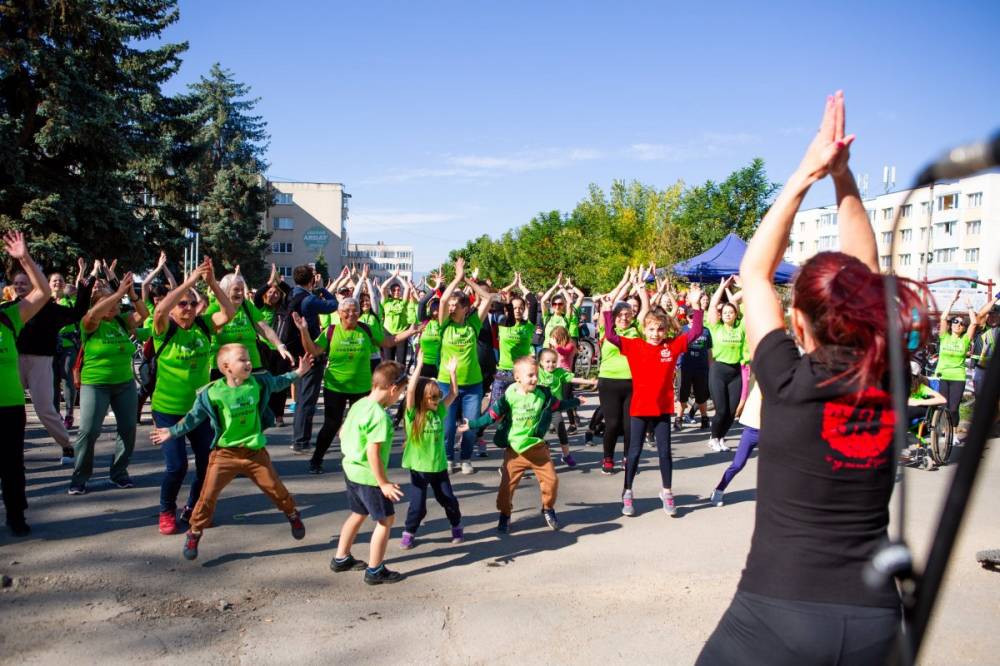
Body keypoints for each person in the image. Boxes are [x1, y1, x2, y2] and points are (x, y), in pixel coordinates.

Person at [698, 91, 929, 665]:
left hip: (776, 616)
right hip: (877, 625)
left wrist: (808, 172)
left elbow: (754, 269)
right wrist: (845, 181)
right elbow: (869, 273)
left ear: (796, 320)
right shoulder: (889, 377)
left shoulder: (786, 380)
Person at [151, 344, 312, 560]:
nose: (248, 363)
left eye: (248, 359)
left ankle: (292, 515)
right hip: (225, 455)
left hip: (254, 452)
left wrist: (299, 372)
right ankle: (194, 532)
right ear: (227, 367)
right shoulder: (213, 393)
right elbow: (193, 417)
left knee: (275, 488)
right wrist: (171, 432)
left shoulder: (258, 382)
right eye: (242, 360)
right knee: (207, 496)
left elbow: (279, 382)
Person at [602, 280, 704, 517]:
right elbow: (610, 335)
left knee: (664, 452)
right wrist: (607, 310)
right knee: (634, 452)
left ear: (665, 329)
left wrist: (697, 304)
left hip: (662, 409)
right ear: (644, 329)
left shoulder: (672, 346)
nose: (656, 334)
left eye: (660, 329)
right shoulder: (635, 346)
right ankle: (627, 492)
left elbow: (696, 331)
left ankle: (667, 492)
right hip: (639, 408)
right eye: (651, 329)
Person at [151, 258, 235, 536]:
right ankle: (166, 510)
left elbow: (229, 311)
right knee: (176, 466)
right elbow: (161, 308)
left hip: (199, 411)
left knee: (206, 462)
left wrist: (211, 283)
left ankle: (193, 508)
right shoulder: (165, 328)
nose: (187, 308)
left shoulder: (203, 326)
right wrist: (189, 282)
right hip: (168, 410)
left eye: (190, 303)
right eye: (182, 304)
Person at [292, 298, 419, 474]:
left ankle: (363, 460)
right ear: (339, 313)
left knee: (363, 425)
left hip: (362, 388)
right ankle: (317, 459)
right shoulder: (331, 331)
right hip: (335, 387)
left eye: (355, 310)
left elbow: (389, 342)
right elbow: (314, 350)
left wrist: (410, 332)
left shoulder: (365, 329)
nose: (351, 314)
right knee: (331, 425)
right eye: (347, 311)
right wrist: (304, 331)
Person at [461, 356, 580, 533]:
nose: (534, 379)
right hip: (515, 452)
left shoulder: (543, 394)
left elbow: (558, 405)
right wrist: (471, 424)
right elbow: (491, 416)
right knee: (505, 490)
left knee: (552, 481)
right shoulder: (509, 396)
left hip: (538, 449)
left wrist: (576, 402)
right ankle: (505, 514)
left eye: (536, 375)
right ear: (518, 378)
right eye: (530, 375)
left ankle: (548, 508)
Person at [68, 272, 149, 494]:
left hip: (124, 384)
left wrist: (131, 295)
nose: (115, 305)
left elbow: (144, 313)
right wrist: (119, 293)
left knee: (128, 428)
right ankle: (79, 476)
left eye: (115, 301)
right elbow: (92, 315)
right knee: (89, 431)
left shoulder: (122, 323)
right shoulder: (90, 323)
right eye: (108, 301)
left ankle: (119, 473)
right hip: (95, 384)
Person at [330, 361, 408, 585]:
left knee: (358, 513)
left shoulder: (360, 404)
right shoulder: (380, 417)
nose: (398, 397)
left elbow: (343, 431)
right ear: (393, 389)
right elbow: (373, 453)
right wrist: (383, 483)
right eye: (400, 392)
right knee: (386, 520)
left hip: (351, 469)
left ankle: (341, 558)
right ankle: (375, 571)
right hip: (368, 476)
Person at [13, 259, 93, 463]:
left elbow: (77, 314)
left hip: (40, 363)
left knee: (44, 409)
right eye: (17, 283)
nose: (20, 286)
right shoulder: (10, 308)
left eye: (24, 283)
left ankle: (67, 446)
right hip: (13, 363)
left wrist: (85, 287)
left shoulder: (50, 309)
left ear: (34, 286)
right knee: (9, 408)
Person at [0, 231, 52, 536]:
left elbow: (43, 292)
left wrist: (24, 258)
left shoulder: (9, 318)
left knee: (12, 466)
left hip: (9, 406)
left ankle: (16, 515)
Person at [399, 352, 463, 549]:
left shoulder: (439, 411)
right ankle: (409, 532)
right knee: (418, 507)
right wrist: (418, 365)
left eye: (438, 396)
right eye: (433, 397)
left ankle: (456, 526)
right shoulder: (412, 414)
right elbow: (410, 391)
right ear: (422, 398)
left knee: (448, 499)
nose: (437, 400)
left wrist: (452, 373)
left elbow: (453, 394)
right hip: (419, 468)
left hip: (439, 466)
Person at [437, 257, 492, 474]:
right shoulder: (444, 325)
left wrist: (469, 282)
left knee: (470, 425)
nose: (451, 307)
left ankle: (466, 458)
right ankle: (449, 458)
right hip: (446, 384)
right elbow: (441, 302)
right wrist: (457, 278)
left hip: (472, 385)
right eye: (450, 304)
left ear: (465, 308)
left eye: (455, 305)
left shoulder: (473, 324)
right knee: (449, 426)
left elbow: (487, 297)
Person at [285, 264, 339, 454]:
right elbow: (334, 305)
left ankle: (298, 438)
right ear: (311, 280)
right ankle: (301, 441)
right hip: (310, 352)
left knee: (300, 398)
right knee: (307, 399)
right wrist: (322, 288)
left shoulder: (291, 294)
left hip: (295, 352)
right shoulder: (308, 300)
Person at [207, 269, 293, 379]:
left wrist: (280, 346)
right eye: (236, 290)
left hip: (252, 364)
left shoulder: (246, 305)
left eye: (242, 290)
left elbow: (264, 328)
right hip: (225, 368)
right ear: (225, 291)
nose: (241, 293)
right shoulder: (214, 308)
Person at [596, 268, 640, 474]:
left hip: (632, 382)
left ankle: (626, 459)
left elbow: (647, 310)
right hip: (609, 381)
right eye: (620, 315)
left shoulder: (635, 330)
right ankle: (607, 458)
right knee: (612, 423)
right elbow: (609, 303)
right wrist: (624, 281)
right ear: (613, 317)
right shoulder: (607, 329)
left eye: (627, 314)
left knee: (630, 424)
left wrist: (637, 286)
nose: (624, 317)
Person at [705, 276, 747, 452]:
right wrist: (721, 287)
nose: (728, 314)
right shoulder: (716, 327)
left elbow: (751, 298)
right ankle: (714, 438)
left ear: (736, 314)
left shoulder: (741, 327)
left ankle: (721, 438)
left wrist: (744, 285)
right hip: (719, 370)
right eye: (725, 313)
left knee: (732, 412)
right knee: (721, 410)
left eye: (731, 312)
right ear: (721, 316)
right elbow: (713, 306)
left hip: (736, 371)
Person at [537, 348, 596, 467]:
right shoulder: (537, 372)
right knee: (536, 435)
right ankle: (530, 460)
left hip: (554, 408)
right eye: (547, 361)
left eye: (554, 361)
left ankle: (566, 455)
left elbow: (573, 379)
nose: (551, 364)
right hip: (538, 409)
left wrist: (590, 382)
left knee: (561, 431)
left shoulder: (559, 373)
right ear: (541, 362)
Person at [710, 375, 761, 507]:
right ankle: (719, 489)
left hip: (772, 431)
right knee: (738, 464)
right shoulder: (758, 375)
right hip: (752, 429)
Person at [934, 291, 977, 442]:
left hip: (958, 377)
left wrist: (970, 306)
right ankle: (945, 431)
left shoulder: (965, 340)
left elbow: (974, 323)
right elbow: (943, 318)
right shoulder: (944, 336)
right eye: (955, 322)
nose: (958, 324)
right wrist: (951, 300)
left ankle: (953, 432)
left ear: (964, 328)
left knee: (953, 408)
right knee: (944, 407)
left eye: (961, 323)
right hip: (943, 375)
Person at [677, 291, 713, 431]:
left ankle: (704, 418)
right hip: (685, 366)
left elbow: (709, 349)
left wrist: (710, 367)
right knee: (683, 394)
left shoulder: (706, 331)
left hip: (701, 366)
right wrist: (677, 365)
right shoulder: (682, 330)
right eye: (690, 316)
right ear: (686, 317)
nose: (693, 318)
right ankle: (679, 418)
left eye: (695, 316)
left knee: (701, 394)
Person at [379, 270, 410, 366]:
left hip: (401, 333)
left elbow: (408, 287)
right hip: (388, 333)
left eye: (398, 290)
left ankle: (401, 380)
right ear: (391, 292)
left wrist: (399, 277)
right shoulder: (386, 302)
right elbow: (383, 287)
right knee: (388, 362)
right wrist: (393, 276)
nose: (396, 292)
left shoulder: (403, 302)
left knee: (401, 362)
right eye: (394, 290)